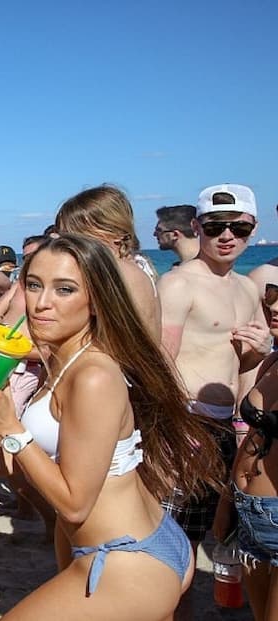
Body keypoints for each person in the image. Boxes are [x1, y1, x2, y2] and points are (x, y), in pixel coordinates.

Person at [0, 233, 225, 619]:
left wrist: (8, 425)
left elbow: (74, 504)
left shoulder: (93, 376)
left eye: (65, 289)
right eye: (34, 285)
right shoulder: (64, 359)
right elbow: (44, 457)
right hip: (137, 542)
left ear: (97, 300)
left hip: (125, 559)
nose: (42, 302)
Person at [158, 183, 271, 619]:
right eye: (215, 226)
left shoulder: (246, 288)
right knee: (173, 541)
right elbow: (161, 366)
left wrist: (261, 353)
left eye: (238, 228)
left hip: (228, 428)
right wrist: (173, 431)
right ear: (196, 227)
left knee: (207, 535)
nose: (227, 236)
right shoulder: (179, 283)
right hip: (186, 425)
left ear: (253, 229)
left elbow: (244, 368)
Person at [217, 282, 278, 620]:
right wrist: (227, 503)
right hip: (251, 511)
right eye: (272, 293)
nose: (274, 306)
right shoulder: (273, 362)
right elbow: (254, 436)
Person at [54, 185, 161, 340]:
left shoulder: (117, 272)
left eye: (77, 236)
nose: (67, 244)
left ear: (116, 233)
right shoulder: (139, 266)